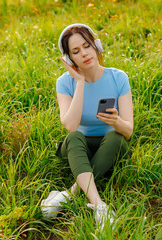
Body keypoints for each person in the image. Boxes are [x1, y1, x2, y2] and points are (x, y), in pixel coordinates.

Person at [41, 23, 133, 230]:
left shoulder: (119, 78)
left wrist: (116, 121)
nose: (84, 53)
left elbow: (128, 132)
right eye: (75, 51)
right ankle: (99, 205)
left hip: (111, 146)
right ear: (68, 59)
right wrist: (80, 82)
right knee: (73, 138)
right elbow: (71, 127)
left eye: (87, 46)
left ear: (96, 46)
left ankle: (69, 194)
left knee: (115, 137)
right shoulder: (65, 83)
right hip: (78, 148)